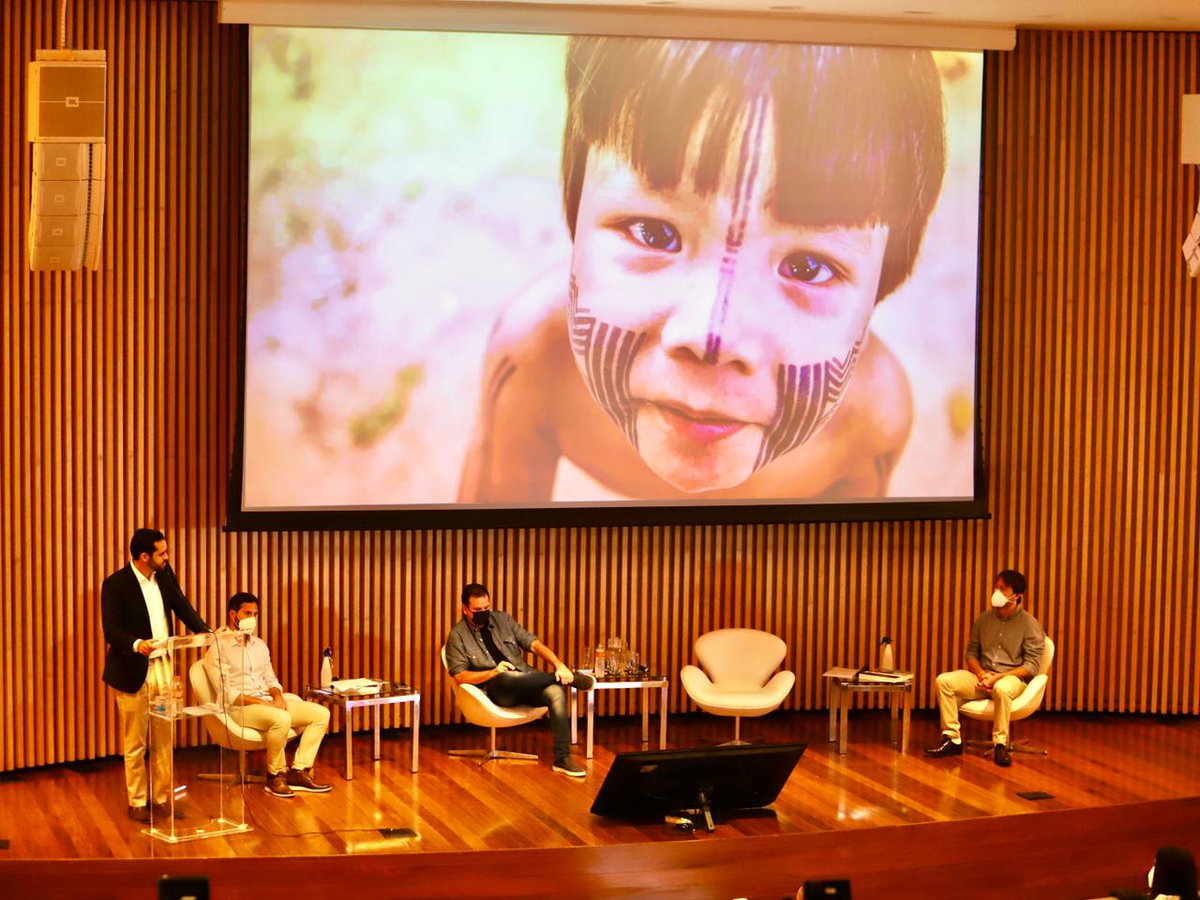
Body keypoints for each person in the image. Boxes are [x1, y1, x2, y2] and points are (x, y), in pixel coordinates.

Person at [459, 37, 947, 504]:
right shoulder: (532, 360)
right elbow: (483, 557)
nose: (712, 335)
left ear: (877, 295)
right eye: (652, 232)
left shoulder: (871, 418)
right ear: (575, 219)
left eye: (809, 266)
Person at [101, 528, 210, 823]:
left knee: (165, 737)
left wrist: (205, 631)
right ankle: (137, 801)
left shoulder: (164, 574)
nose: (167, 556)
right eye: (162, 553)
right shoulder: (115, 585)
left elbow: (181, 604)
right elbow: (112, 630)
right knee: (136, 742)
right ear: (144, 556)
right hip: (133, 671)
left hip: (164, 668)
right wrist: (137, 644)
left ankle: (161, 797)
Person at [444, 583, 594, 777]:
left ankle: (562, 759)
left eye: (486, 608)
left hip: (528, 680)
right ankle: (570, 679)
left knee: (556, 691)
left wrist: (559, 665)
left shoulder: (503, 620)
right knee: (507, 676)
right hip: (498, 689)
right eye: (477, 610)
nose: (483, 612)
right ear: (465, 609)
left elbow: (533, 643)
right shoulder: (457, 636)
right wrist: (492, 672)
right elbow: (460, 676)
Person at [206, 592, 332, 798]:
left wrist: (277, 696)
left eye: (255, 614)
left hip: (266, 701)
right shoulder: (218, 647)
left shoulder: (259, 645)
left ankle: (299, 770)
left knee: (320, 714)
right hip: (240, 708)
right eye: (247, 613)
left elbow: (271, 678)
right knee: (281, 718)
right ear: (233, 614)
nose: (252, 619)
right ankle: (275, 774)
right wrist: (264, 704)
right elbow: (226, 692)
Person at [925, 569, 1045, 768]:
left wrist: (998, 678)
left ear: (1018, 596)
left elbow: (1031, 666)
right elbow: (971, 653)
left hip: (1011, 678)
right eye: (996, 587)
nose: (996, 592)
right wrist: (981, 674)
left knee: (1002, 688)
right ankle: (952, 738)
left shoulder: (1030, 624)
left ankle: (1000, 744)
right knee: (944, 681)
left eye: (1003, 588)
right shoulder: (984, 620)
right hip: (982, 675)